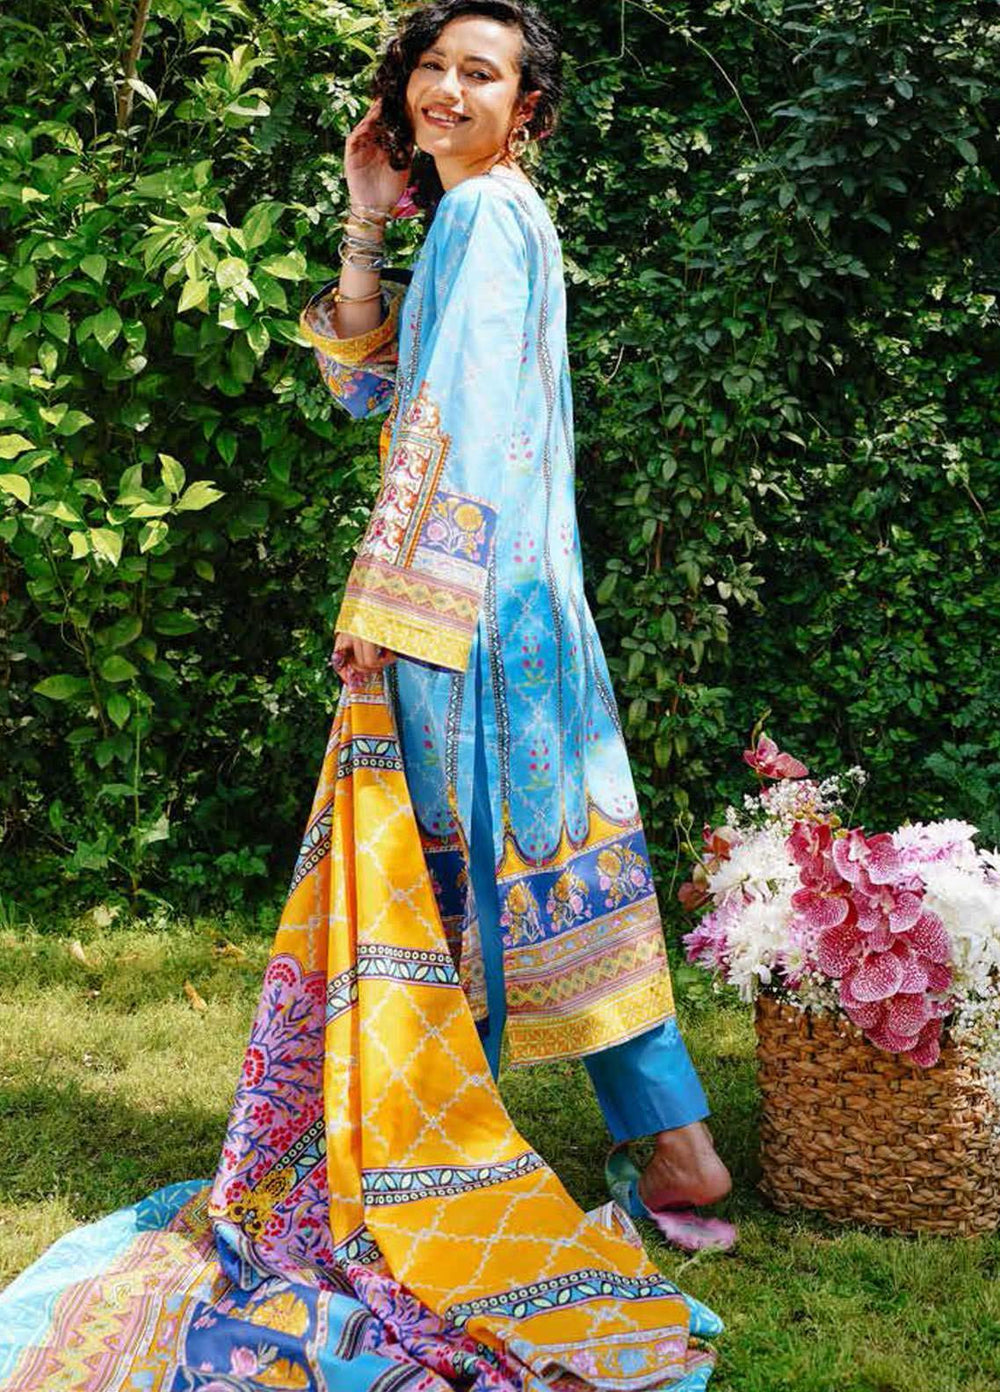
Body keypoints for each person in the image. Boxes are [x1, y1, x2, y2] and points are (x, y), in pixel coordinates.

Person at [300, 0, 733, 1248]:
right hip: (520, 600)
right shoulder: (485, 216)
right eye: (430, 66)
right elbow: (368, 390)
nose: (444, 88)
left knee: (460, 884)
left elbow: (458, 417)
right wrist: (366, 220)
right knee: (556, 870)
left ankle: (446, 1168)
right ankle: (678, 1145)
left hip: (466, 612)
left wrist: (384, 596)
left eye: (478, 73)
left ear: (524, 107)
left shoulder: (488, 213)